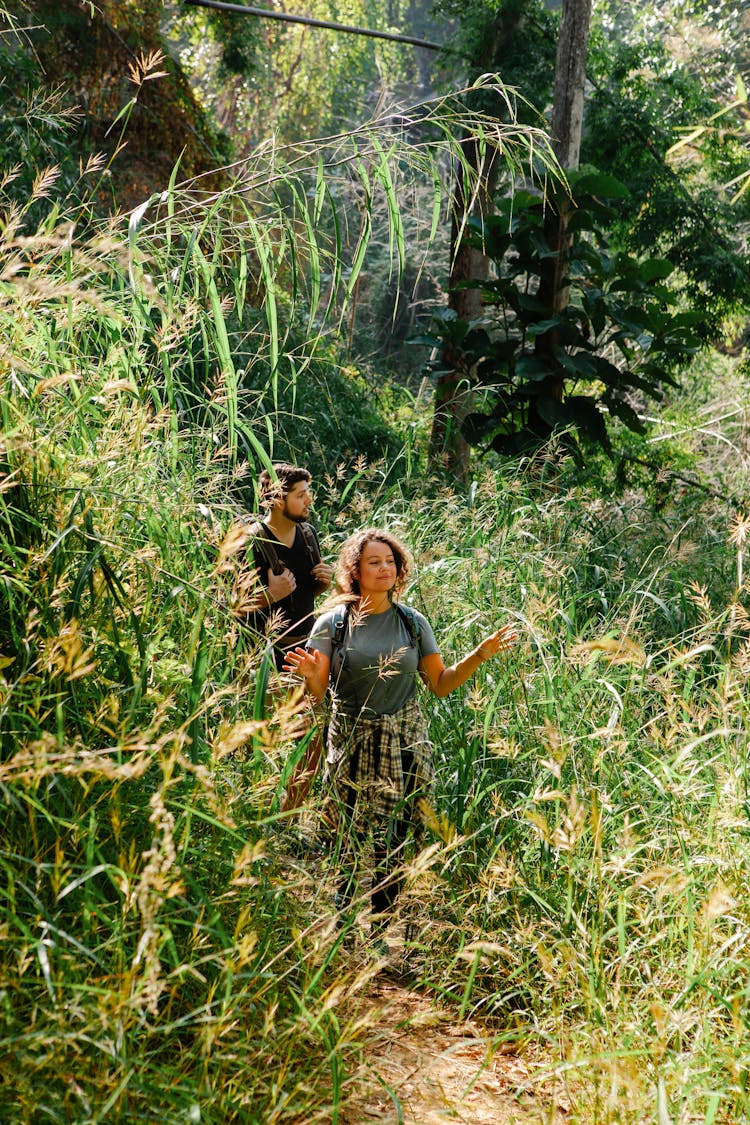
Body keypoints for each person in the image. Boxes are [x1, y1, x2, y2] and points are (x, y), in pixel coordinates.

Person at [282, 527, 519, 945]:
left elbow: (441, 683)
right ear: (355, 570)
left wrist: (479, 655)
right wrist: (307, 677)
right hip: (352, 740)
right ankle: (344, 930)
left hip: (406, 740)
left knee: (398, 837)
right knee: (349, 835)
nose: (384, 569)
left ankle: (380, 931)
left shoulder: (412, 621)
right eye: (373, 562)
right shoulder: (333, 623)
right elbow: (320, 694)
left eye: (390, 561)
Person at [243, 463, 334, 809]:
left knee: (311, 742)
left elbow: (307, 593)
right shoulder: (252, 541)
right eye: (301, 494)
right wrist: (269, 595)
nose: (309, 499)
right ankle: (265, 820)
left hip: (306, 656)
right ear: (279, 499)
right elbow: (226, 606)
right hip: (264, 661)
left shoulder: (308, 535)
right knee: (271, 745)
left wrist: (322, 584)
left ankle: (288, 821)